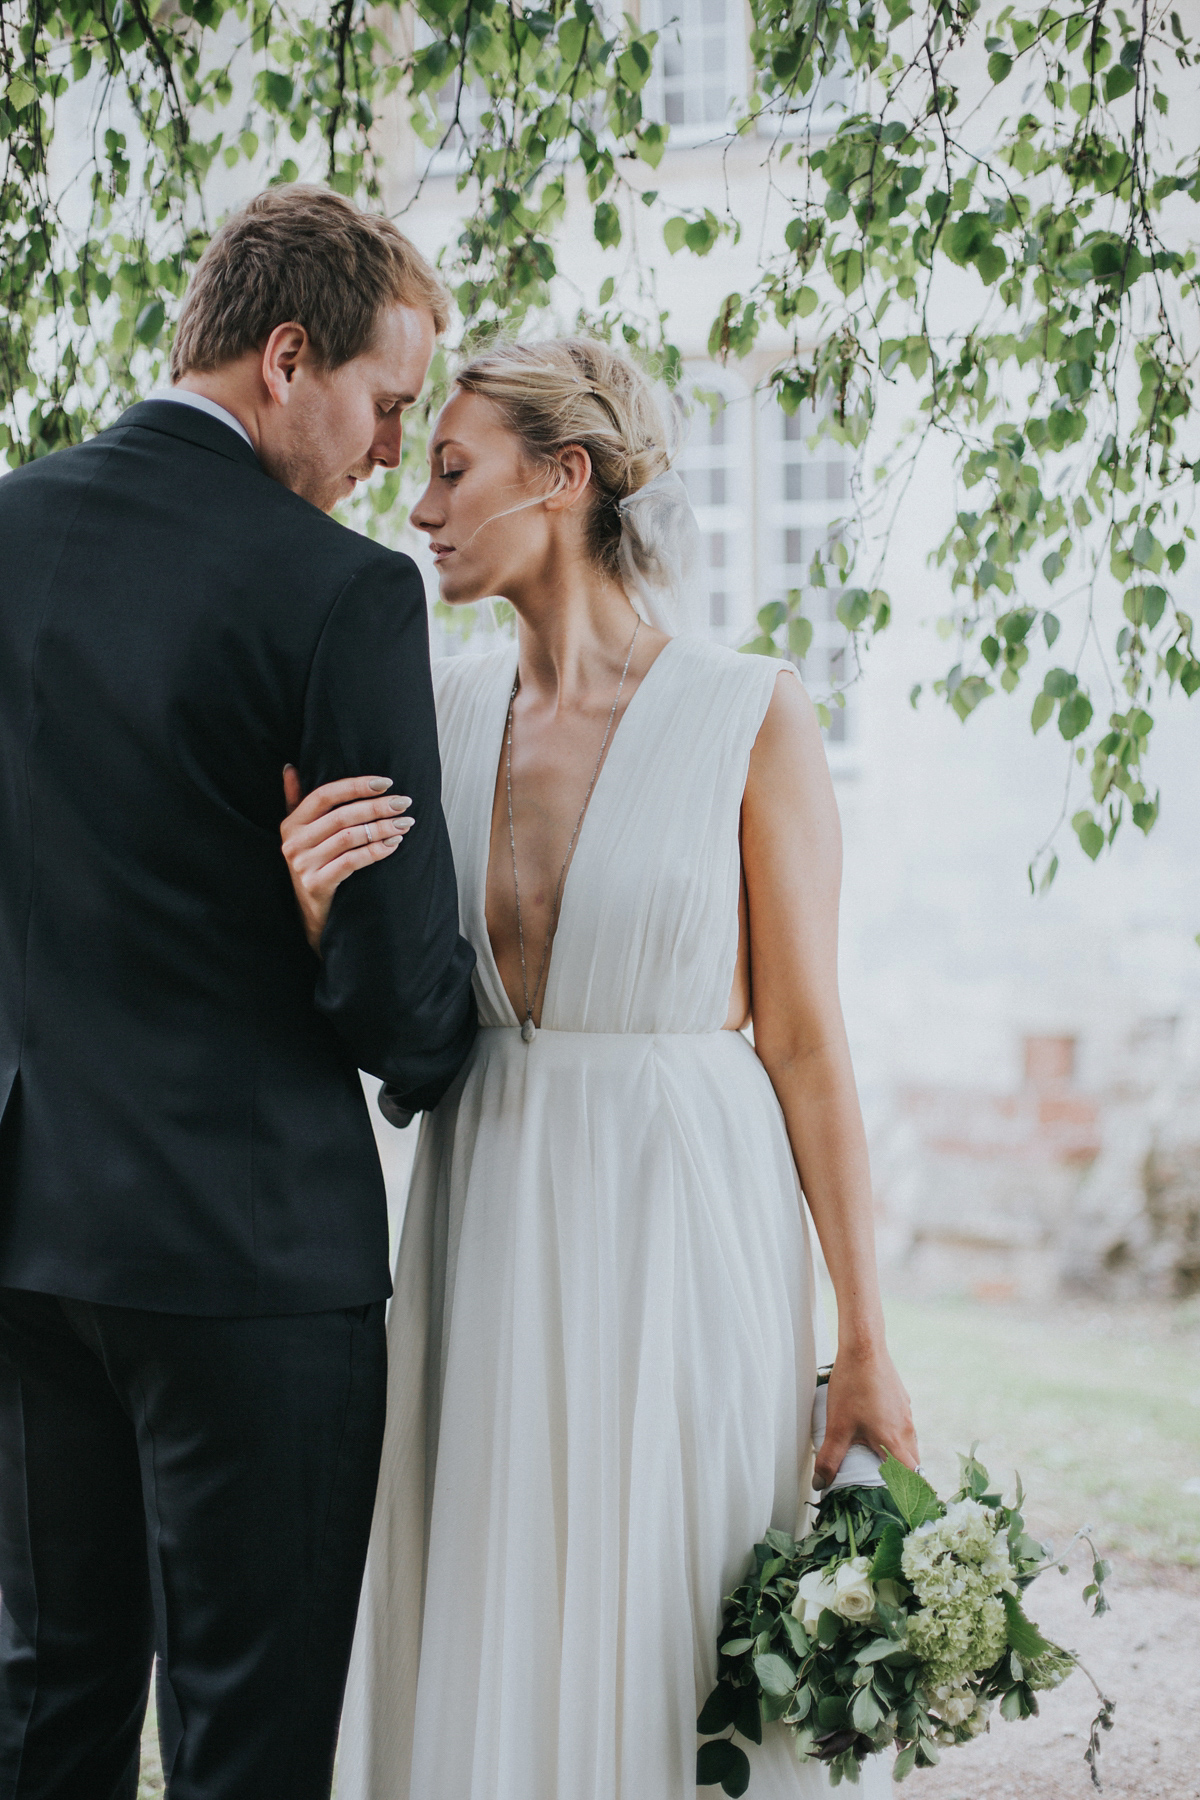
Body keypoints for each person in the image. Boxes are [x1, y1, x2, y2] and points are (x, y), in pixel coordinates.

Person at [283, 337, 919, 1798]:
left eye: (453, 471)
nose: (420, 506)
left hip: (683, 1210)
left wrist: (866, 1335)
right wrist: (325, 919)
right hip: (485, 1192)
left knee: (671, 1587)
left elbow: (809, 1043)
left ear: (563, 477)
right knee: (488, 1569)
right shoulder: (427, 712)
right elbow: (391, 1005)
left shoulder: (747, 712)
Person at [0, 186, 477, 1800]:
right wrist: (323, 917)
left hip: (25, 1235)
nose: (388, 460)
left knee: (46, 1714)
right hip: (250, 1260)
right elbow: (416, 1022)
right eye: (386, 405)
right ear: (289, 359)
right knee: (244, 1747)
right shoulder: (337, 594)